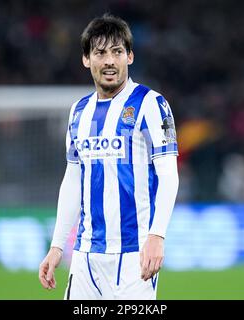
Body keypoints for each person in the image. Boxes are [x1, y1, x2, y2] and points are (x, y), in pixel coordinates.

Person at [38, 14, 179, 300]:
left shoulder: (152, 104)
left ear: (130, 56)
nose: (109, 61)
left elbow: (168, 174)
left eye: (117, 52)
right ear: (86, 60)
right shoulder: (78, 111)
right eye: (100, 53)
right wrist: (57, 245)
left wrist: (157, 235)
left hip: (134, 255)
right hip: (86, 256)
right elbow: (73, 178)